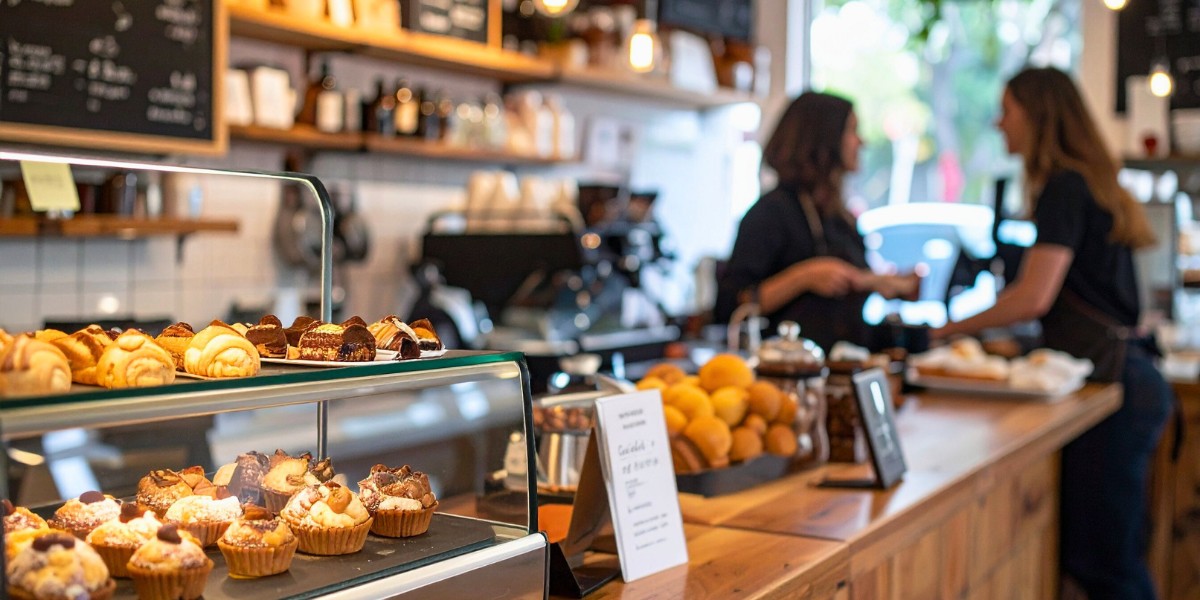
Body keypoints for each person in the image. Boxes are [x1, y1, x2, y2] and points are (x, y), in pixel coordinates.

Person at [931, 66, 1172, 599]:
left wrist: (944, 330)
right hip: (1133, 377)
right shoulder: (1089, 182)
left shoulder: (1063, 187)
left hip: (1117, 385)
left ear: (1038, 115)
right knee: (1112, 561)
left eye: (1007, 111)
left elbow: (1032, 296)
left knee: (1105, 569)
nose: (998, 123)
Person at [715, 91, 916, 351]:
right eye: (852, 131)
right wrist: (803, 277)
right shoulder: (771, 213)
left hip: (846, 363)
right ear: (823, 139)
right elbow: (729, 308)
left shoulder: (839, 218)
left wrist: (880, 283)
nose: (861, 142)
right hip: (788, 370)